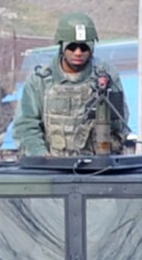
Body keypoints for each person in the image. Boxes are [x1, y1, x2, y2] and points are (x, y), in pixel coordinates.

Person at [13, 14, 129, 158]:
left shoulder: (107, 75)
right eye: (72, 47)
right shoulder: (40, 79)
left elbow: (119, 123)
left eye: (84, 47)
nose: (78, 53)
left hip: (97, 167)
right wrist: (40, 155)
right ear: (61, 46)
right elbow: (25, 125)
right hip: (51, 168)